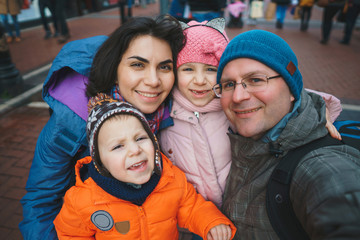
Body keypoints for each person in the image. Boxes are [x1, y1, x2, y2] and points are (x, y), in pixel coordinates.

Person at [19, 15, 186, 240]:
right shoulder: (69, 124)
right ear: (115, 68)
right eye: (138, 64)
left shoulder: (167, 112)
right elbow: (41, 201)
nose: (154, 80)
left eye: (164, 67)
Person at [213, 29, 360, 239]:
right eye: (228, 84)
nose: (237, 96)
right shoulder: (238, 139)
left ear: (292, 91)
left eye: (255, 80)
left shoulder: (318, 162)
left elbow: (339, 195)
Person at [54, 96, 236, 239]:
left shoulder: (170, 179)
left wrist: (211, 222)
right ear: (99, 161)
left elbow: (192, 207)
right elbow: (72, 235)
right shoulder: (82, 200)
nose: (135, 150)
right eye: (118, 146)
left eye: (140, 138)